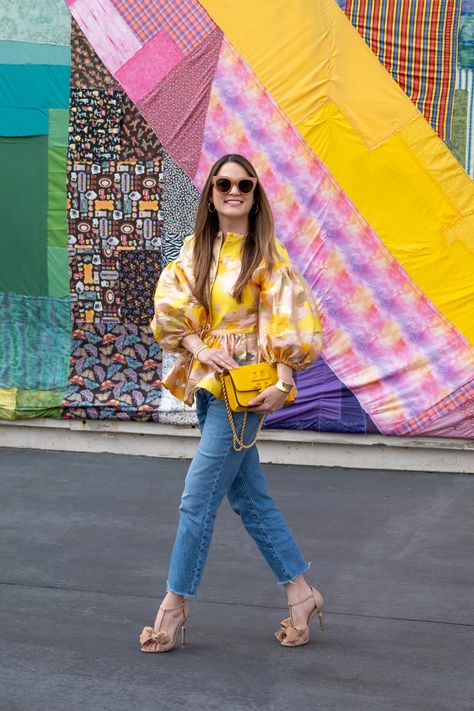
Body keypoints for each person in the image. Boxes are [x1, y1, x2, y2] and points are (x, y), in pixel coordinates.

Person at [139, 154, 325, 652]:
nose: (234, 190)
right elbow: (170, 307)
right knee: (249, 498)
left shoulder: (266, 254)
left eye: (244, 184)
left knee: (196, 499)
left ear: (255, 193)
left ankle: (172, 607)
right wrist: (199, 347)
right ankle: (300, 592)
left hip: (243, 393)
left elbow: (287, 316)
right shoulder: (197, 249)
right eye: (224, 183)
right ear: (213, 193)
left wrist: (284, 379)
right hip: (208, 389)